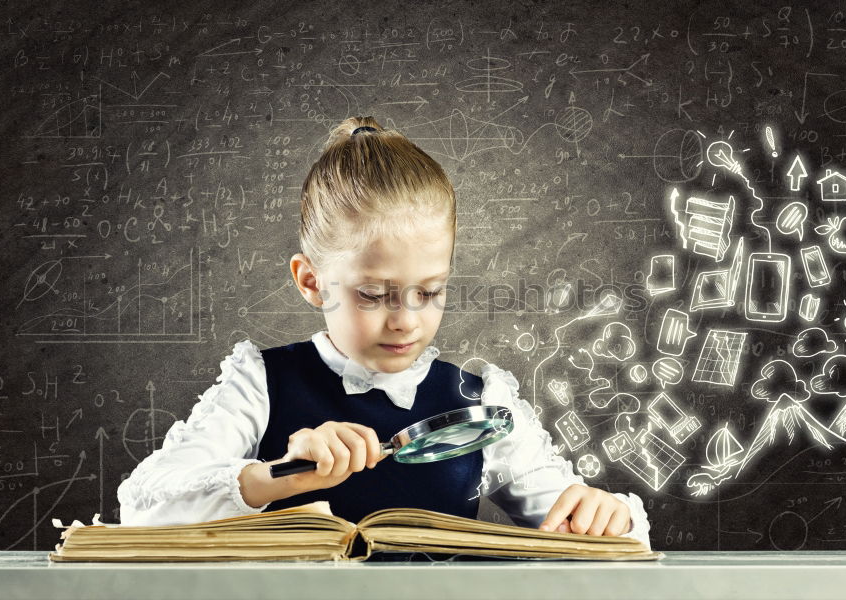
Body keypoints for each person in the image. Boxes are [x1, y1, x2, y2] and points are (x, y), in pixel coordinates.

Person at [117, 116, 651, 548]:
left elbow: (576, 522)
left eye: (430, 292)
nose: (406, 320)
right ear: (311, 281)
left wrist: (607, 515)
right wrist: (276, 474)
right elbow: (142, 506)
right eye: (373, 295)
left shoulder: (479, 399)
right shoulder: (260, 382)